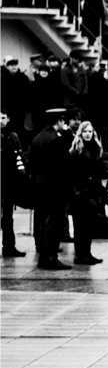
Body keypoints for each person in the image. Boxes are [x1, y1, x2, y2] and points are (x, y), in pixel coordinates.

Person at [30, 108, 73, 270]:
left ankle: (43, 256)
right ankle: (51, 257)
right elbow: (64, 166)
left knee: (42, 222)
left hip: (40, 185)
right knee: (53, 224)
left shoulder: (38, 138)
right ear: (59, 121)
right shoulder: (56, 139)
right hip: (55, 187)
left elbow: (32, 163)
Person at [68, 121, 105, 265]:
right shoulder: (76, 151)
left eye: (90, 131)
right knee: (80, 226)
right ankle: (80, 255)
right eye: (85, 131)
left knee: (89, 225)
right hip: (80, 193)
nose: (88, 134)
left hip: (92, 191)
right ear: (80, 133)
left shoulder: (96, 149)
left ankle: (87, 253)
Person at [1, 109, 27, 257]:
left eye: (3, 117)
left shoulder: (13, 137)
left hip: (9, 182)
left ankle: (9, 246)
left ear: (8, 119)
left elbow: (20, 156)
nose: (0, 121)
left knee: (8, 216)